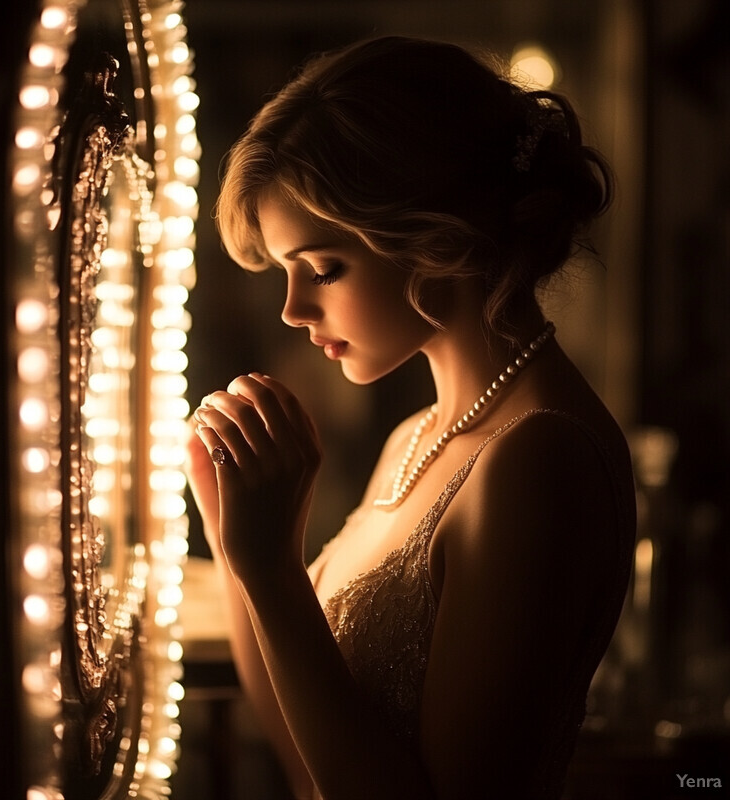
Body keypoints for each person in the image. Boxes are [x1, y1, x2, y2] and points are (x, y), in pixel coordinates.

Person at [185, 35, 636, 800]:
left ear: (431, 236)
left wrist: (272, 570)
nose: (294, 309)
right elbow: (306, 764)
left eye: (323, 268)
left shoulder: (538, 460)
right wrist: (242, 549)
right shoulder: (417, 438)